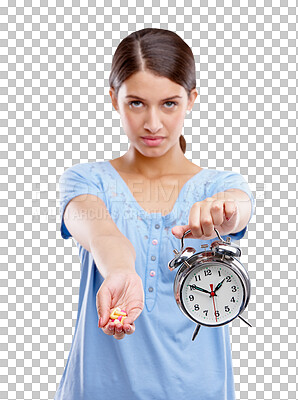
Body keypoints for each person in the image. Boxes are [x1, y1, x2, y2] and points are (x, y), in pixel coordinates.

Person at [55, 28, 255, 400]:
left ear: (191, 100)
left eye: (168, 103)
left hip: (198, 390)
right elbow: (101, 233)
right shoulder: (85, 180)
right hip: (98, 390)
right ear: (114, 99)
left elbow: (240, 206)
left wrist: (227, 210)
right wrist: (119, 271)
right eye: (136, 103)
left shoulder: (220, 186)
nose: (152, 123)